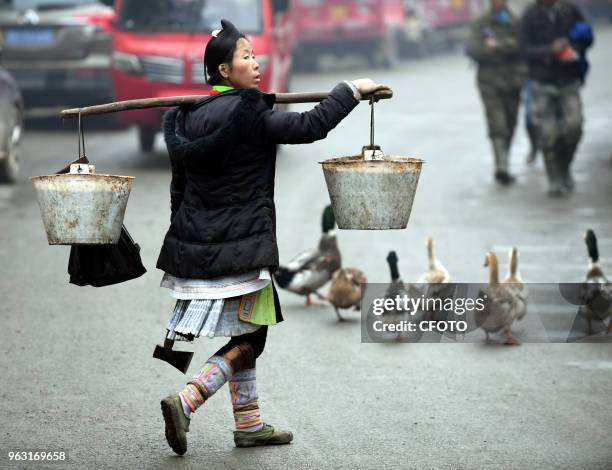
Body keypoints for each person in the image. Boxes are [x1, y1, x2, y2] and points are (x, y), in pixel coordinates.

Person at [156, 19, 390, 455]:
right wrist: (352, 90)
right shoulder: (249, 113)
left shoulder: (187, 117)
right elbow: (309, 126)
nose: (256, 63)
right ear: (224, 71)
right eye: (246, 56)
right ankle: (187, 400)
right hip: (243, 246)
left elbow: (179, 190)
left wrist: (182, 247)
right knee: (253, 338)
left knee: (250, 333)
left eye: (253, 55)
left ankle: (249, 425)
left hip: (198, 246)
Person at [520, 0, 593, 196]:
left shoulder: (570, 10)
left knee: (574, 127)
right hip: (542, 82)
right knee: (547, 133)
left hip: (568, 79)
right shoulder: (529, 15)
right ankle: (554, 179)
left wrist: (571, 48)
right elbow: (524, 50)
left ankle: (565, 167)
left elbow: (587, 36)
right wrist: (550, 50)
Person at [467, 0, 527, 185]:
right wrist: (496, 48)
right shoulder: (481, 23)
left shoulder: (516, 21)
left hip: (513, 81)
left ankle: (504, 160)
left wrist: (497, 45)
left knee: (511, 122)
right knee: (497, 124)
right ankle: (502, 166)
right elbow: (473, 49)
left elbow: (522, 47)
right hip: (489, 82)